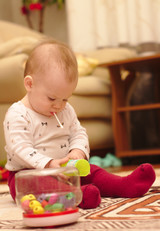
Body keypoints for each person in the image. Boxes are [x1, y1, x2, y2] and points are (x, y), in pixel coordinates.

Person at [3, 39, 156, 209]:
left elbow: (78, 133)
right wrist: (49, 164)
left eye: (65, 98)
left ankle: (123, 185)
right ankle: (76, 195)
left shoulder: (65, 109)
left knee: (94, 171)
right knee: (38, 185)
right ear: (29, 84)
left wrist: (77, 152)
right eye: (52, 98)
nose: (59, 105)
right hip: (28, 174)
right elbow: (20, 148)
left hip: (67, 170)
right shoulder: (18, 114)